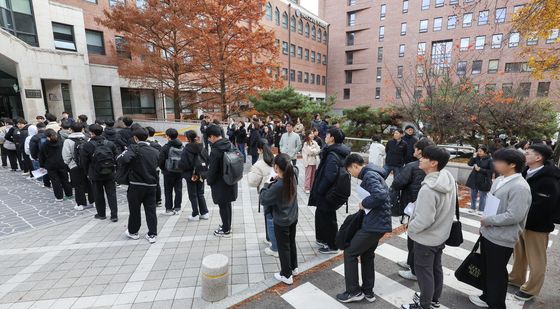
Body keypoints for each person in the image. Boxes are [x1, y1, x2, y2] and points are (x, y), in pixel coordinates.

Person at [468, 148, 532, 309]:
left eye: (498, 161)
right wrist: (484, 225)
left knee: (496, 272)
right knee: (488, 268)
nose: (494, 163)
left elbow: (515, 215)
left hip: (503, 237)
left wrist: (488, 220)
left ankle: (496, 304)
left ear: (511, 164)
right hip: (489, 232)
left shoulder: (520, 187)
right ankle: (486, 296)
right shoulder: (500, 179)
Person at [401, 145, 456, 309]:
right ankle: (433, 299)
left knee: (424, 272)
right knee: (435, 269)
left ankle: (424, 305)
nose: (420, 159)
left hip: (426, 237)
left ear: (433, 163)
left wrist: (411, 228)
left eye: (424, 157)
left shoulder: (429, 189)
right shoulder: (447, 178)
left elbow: (425, 220)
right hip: (440, 234)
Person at [508, 144, 560, 301]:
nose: (524, 154)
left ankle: (531, 289)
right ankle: (516, 278)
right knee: (519, 255)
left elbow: (544, 207)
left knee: (536, 259)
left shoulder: (550, 179)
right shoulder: (525, 172)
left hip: (538, 226)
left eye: (528, 153)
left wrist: (521, 218)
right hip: (521, 222)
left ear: (538, 158)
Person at [337, 154, 391, 303]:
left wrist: (364, 203)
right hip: (378, 222)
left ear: (355, 166)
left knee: (350, 252)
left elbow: (380, 195)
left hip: (374, 224)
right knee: (367, 255)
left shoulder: (369, 175)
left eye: (349, 171)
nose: (350, 174)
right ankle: (368, 291)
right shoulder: (372, 173)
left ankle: (353, 291)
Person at [392, 138, 436, 281]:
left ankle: (414, 270)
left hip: (413, 205)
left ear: (420, 151)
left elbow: (397, 183)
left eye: (416, 148)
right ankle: (411, 262)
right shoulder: (436, 168)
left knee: (414, 237)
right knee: (416, 238)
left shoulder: (412, 166)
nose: (413, 150)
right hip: (424, 207)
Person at [309, 127, 351, 254]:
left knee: (328, 218)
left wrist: (320, 190)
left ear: (332, 138)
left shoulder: (333, 154)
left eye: (327, 135)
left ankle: (332, 245)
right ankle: (324, 239)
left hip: (328, 192)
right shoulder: (334, 151)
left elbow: (330, 176)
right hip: (330, 191)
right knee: (323, 215)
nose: (325, 136)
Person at [260, 154, 299, 285]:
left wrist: (266, 184)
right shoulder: (292, 176)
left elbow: (264, 199)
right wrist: (277, 179)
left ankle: (286, 275)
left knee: (283, 247)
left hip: (282, 220)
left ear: (276, 167)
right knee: (291, 242)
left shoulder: (278, 186)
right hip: (293, 216)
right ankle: (294, 268)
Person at [118, 128, 160, 243]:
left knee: (135, 210)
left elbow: (121, 159)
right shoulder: (155, 151)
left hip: (136, 185)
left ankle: (133, 232)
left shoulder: (134, 148)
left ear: (136, 138)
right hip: (151, 185)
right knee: (151, 210)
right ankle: (152, 234)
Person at [80, 124, 119, 222]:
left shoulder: (88, 145)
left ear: (91, 133)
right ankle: (114, 215)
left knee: (98, 194)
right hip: (110, 172)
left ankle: (101, 214)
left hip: (95, 173)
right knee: (112, 194)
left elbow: (84, 161)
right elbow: (116, 157)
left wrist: (87, 173)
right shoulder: (110, 143)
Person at [206, 125, 238, 237]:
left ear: (213, 136)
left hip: (220, 183)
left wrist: (209, 181)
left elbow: (213, 170)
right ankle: (227, 225)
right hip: (231, 179)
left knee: (222, 206)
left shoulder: (215, 150)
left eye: (209, 138)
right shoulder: (229, 144)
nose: (209, 140)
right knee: (227, 204)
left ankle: (225, 230)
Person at [248, 139, 277, 257]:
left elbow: (252, 182)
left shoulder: (258, 165)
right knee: (275, 219)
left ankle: (274, 246)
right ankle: (271, 239)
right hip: (279, 194)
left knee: (270, 219)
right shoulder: (277, 158)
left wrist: (250, 173)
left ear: (258, 149)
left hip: (266, 195)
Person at [63, 123, 94, 210]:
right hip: (87, 165)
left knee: (78, 185)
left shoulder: (68, 141)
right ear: (82, 129)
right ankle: (94, 201)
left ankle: (80, 204)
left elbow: (66, 156)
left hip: (74, 166)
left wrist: (69, 164)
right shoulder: (87, 139)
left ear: (71, 130)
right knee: (89, 183)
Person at [180, 130, 209, 221]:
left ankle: (195, 214)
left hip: (191, 175)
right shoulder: (202, 147)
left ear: (188, 138)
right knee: (200, 193)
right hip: (201, 174)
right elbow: (207, 160)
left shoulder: (186, 149)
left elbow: (184, 164)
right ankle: (204, 213)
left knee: (193, 194)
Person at [39, 129, 73, 202]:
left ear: (47, 137)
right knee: (65, 179)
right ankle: (69, 194)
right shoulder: (61, 142)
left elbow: (41, 156)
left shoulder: (44, 144)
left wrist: (42, 165)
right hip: (62, 163)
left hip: (51, 165)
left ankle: (59, 197)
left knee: (55, 181)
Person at [158, 128, 184, 215]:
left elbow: (161, 161)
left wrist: (163, 169)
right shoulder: (181, 145)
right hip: (179, 171)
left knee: (168, 190)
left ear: (168, 137)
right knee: (178, 190)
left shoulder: (165, 147)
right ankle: (177, 208)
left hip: (168, 172)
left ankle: (168, 209)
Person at [466, 145, 494, 214]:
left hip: (484, 180)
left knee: (482, 196)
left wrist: (480, 169)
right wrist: (473, 157)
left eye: (480, 151)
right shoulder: (476, 158)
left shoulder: (490, 160)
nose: (478, 152)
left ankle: (481, 209)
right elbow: (469, 164)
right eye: (478, 151)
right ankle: (473, 208)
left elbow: (491, 171)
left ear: (485, 152)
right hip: (474, 178)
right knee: (473, 195)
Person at [145, 126, 162, 206]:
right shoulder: (158, 143)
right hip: (157, 167)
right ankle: (158, 200)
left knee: (149, 183)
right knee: (157, 183)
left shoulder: (146, 144)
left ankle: (151, 200)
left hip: (147, 167)